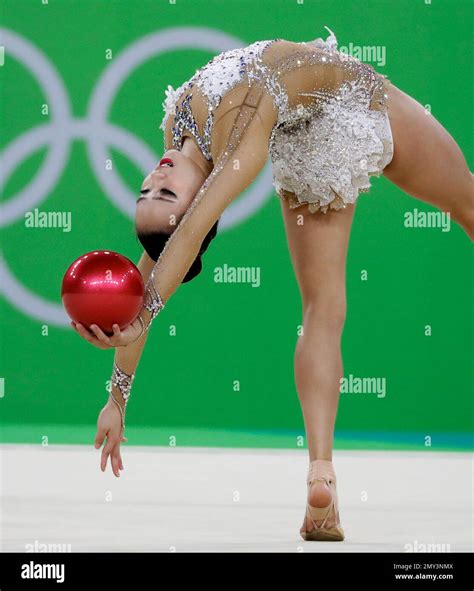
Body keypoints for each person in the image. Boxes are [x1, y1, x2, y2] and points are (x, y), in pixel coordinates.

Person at [71, 27, 474, 542]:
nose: (155, 177)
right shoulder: (237, 141)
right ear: (194, 201)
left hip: (304, 120)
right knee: (465, 206)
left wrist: (118, 396)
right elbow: (186, 235)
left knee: (322, 310)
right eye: (165, 193)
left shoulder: (179, 128)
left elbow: (154, 259)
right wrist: (123, 380)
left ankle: (322, 477)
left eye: (146, 190)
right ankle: (320, 471)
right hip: (350, 99)